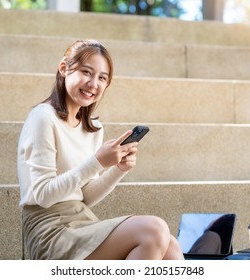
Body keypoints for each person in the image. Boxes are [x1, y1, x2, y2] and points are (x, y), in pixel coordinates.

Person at [17, 39, 184, 260]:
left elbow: (84, 197)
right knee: (154, 230)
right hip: (49, 231)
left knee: (170, 245)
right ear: (64, 68)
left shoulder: (94, 128)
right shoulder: (43, 117)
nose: (93, 84)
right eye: (87, 72)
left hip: (82, 220)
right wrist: (97, 162)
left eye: (102, 78)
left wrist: (117, 169)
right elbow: (44, 196)